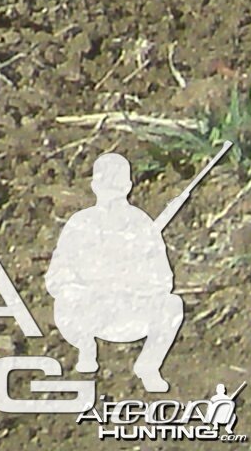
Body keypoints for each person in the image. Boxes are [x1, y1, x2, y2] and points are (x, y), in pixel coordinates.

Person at [46, 151, 189, 390]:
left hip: (129, 312)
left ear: (128, 186)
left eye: (117, 184)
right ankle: (86, 347)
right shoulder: (79, 224)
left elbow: (163, 280)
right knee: (66, 301)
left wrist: (133, 284)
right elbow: (56, 278)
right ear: (95, 186)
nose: (111, 191)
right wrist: (86, 286)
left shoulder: (141, 224)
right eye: (106, 184)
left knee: (172, 304)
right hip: (90, 312)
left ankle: (149, 366)